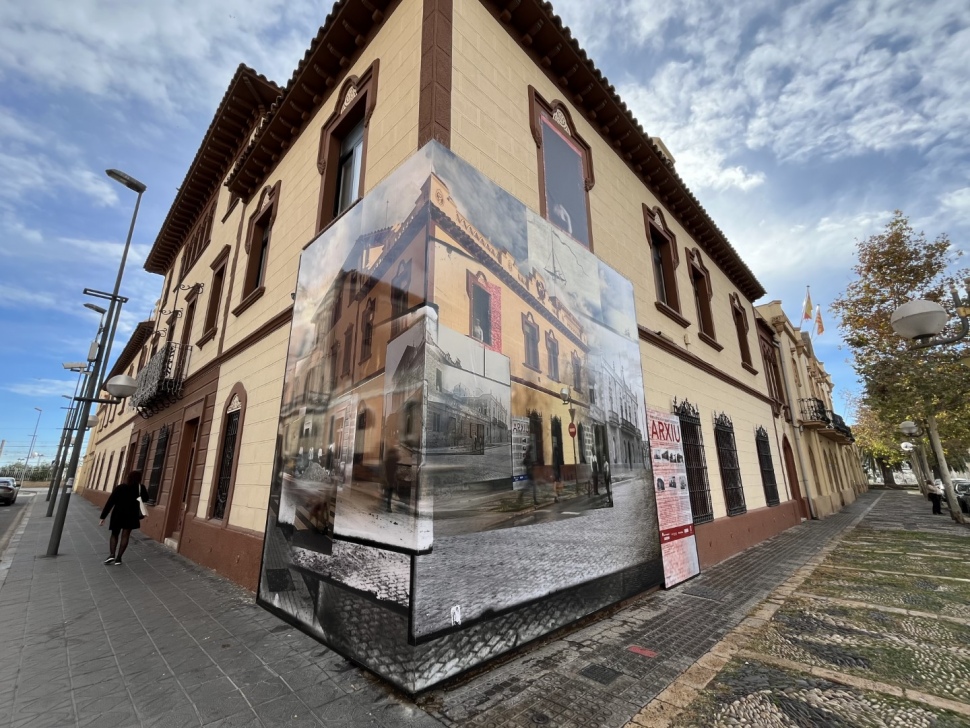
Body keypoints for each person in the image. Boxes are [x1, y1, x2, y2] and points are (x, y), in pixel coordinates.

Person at [99, 470, 148, 566]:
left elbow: (110, 502)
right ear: (139, 479)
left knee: (114, 534)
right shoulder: (140, 488)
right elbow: (146, 498)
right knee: (125, 536)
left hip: (118, 514)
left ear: (128, 477)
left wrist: (103, 517)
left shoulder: (120, 488)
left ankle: (112, 554)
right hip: (131, 515)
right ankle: (119, 558)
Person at [384, 447, 400, 511]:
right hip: (391, 478)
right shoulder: (393, 460)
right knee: (390, 492)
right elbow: (393, 470)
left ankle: (388, 506)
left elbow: (386, 470)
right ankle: (388, 506)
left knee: (389, 492)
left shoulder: (388, 460)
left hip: (389, 478)